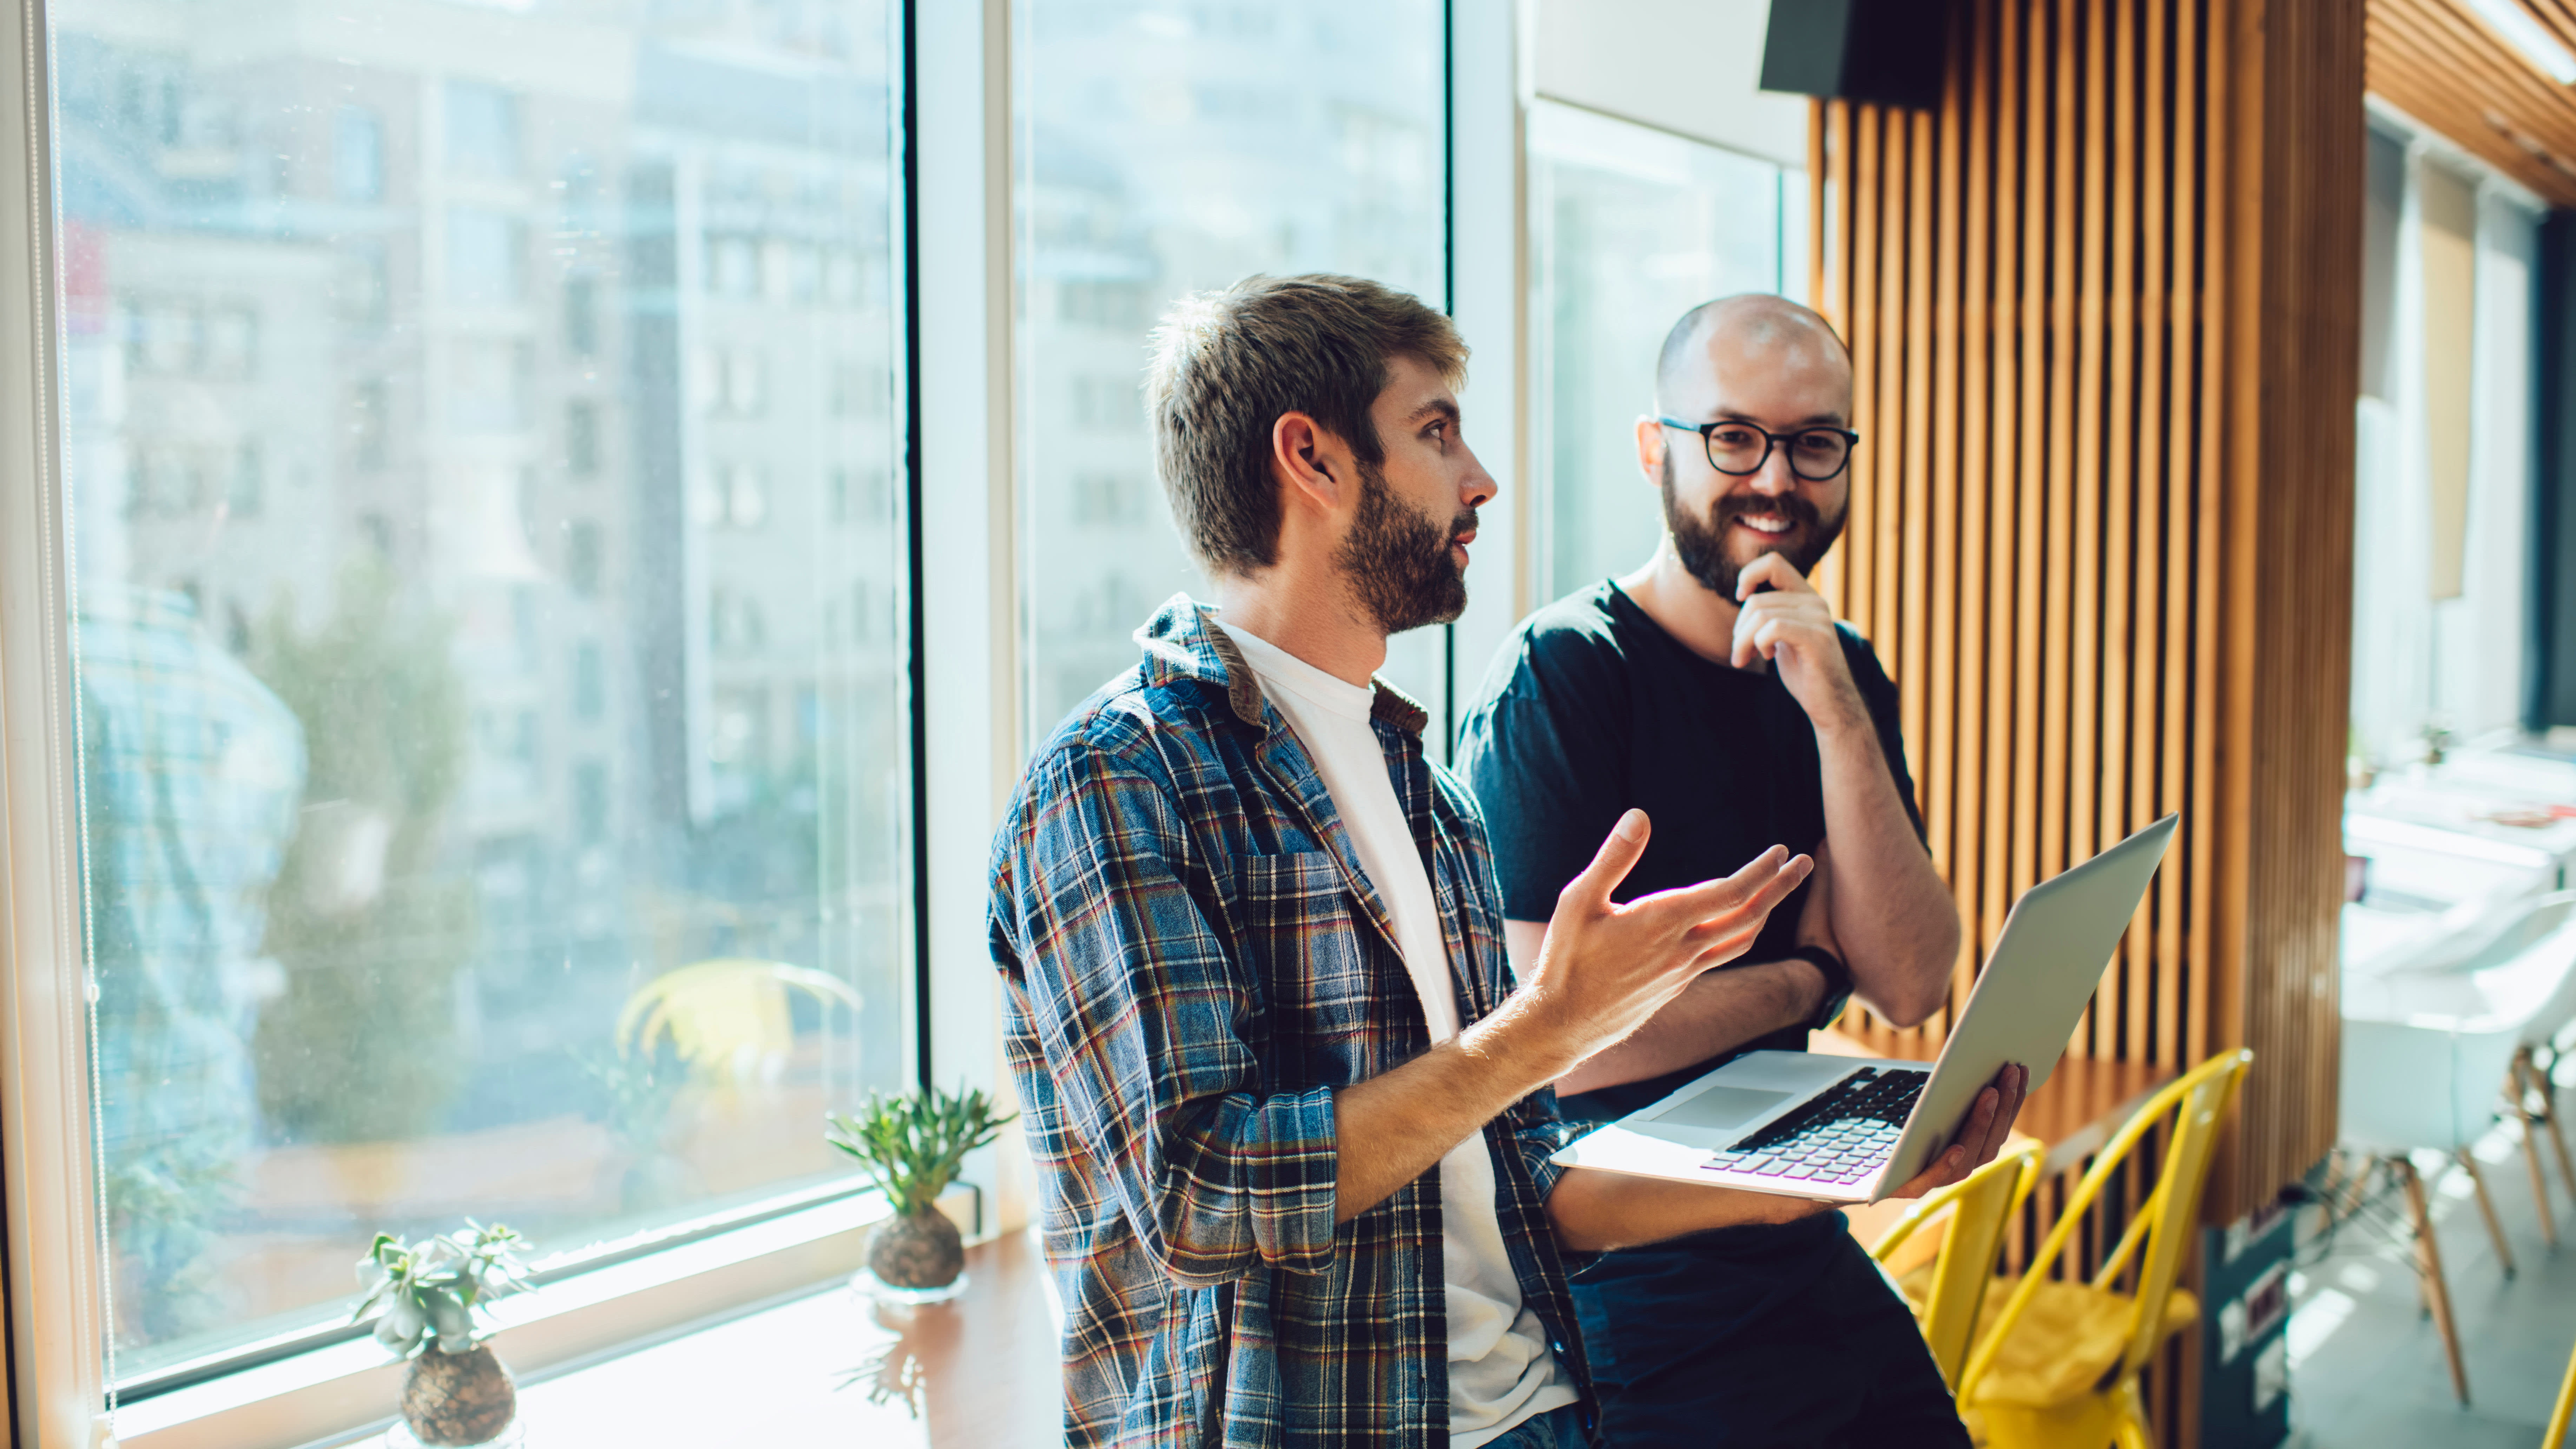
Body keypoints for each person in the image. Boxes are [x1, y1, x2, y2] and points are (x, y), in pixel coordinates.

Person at [989, 274, 2024, 1448]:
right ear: (1312, 460)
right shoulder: (1116, 780)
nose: (1480, 477)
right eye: (1436, 432)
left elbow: (1520, 1181)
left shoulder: (1414, 782)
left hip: (1546, 1403)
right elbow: (1201, 1200)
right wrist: (1550, 1028)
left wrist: (1864, 1171)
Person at [1455, 293, 1972, 1447]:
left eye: (1813, 443)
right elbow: (1556, 1050)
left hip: (1796, 1233)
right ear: (1656, 449)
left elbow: (1911, 981)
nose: (1774, 479)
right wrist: (1803, 980)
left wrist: (1836, 708)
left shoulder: (1838, 673)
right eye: (1732, 438)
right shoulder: (1562, 677)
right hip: (1626, 1283)